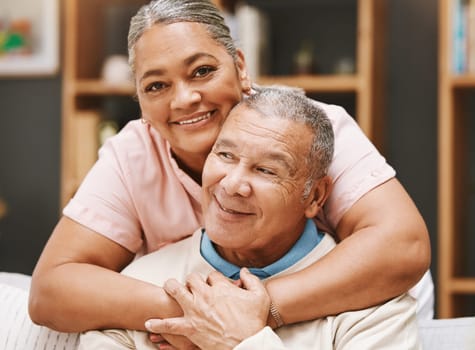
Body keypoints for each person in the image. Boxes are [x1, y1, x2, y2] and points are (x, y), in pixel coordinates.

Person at [29, 0, 432, 335]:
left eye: (202, 71)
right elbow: (52, 289)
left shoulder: (309, 127)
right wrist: (197, 314)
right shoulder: (132, 154)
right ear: (139, 99)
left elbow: (402, 247)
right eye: (156, 85)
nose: (184, 98)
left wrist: (255, 311)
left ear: (240, 66)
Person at [79, 86, 421, 350]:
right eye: (225, 155)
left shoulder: (372, 304)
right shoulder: (139, 287)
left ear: (315, 196)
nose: (232, 184)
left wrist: (243, 341)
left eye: (267, 170)